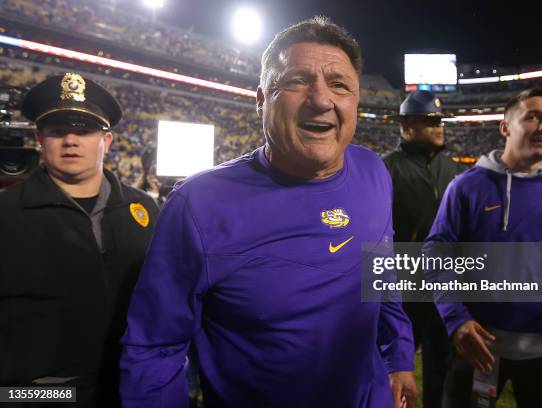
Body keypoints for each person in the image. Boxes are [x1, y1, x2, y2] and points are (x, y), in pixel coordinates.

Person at [120, 17, 418, 408]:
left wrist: (397, 355)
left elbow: (381, 272)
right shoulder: (199, 205)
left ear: (356, 101)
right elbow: (154, 347)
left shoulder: (374, 172)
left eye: (339, 85)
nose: (322, 99)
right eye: (297, 80)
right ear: (261, 100)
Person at [425, 88, 542, 407]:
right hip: (478, 350)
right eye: (533, 116)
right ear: (505, 127)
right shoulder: (467, 187)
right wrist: (455, 317)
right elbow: (437, 254)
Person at [0, 73, 159, 407]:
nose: (71, 140)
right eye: (58, 131)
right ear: (40, 139)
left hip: (128, 387)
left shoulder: (143, 209)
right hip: (39, 396)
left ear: (107, 141)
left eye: (84, 131)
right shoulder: (6, 212)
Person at [383, 91, 463, 408]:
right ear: (406, 125)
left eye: (439, 120)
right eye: (430, 121)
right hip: (403, 291)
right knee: (392, 368)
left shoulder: (453, 169)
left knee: (441, 373)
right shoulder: (386, 168)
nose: (438, 126)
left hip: (444, 289)